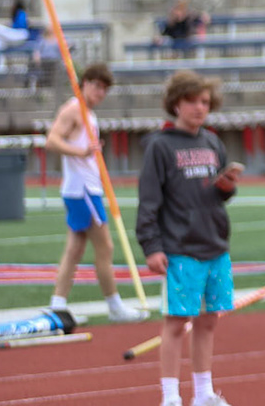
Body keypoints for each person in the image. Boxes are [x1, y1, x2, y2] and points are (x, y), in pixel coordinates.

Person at [137, 70, 242, 406]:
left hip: (215, 245)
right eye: (193, 101)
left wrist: (227, 186)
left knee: (208, 322)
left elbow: (218, 194)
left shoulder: (212, 141)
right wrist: (151, 246)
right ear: (176, 103)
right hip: (180, 248)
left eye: (205, 102)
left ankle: (204, 394)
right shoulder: (160, 145)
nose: (200, 107)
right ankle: (170, 397)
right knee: (176, 322)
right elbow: (149, 200)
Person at [46, 64, 143, 323]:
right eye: (97, 86)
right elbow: (52, 139)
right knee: (105, 247)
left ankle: (57, 303)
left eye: (105, 89)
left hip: (85, 188)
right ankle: (114, 305)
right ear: (85, 82)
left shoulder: (87, 112)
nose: (100, 93)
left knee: (75, 249)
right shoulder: (74, 109)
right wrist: (83, 153)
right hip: (83, 191)